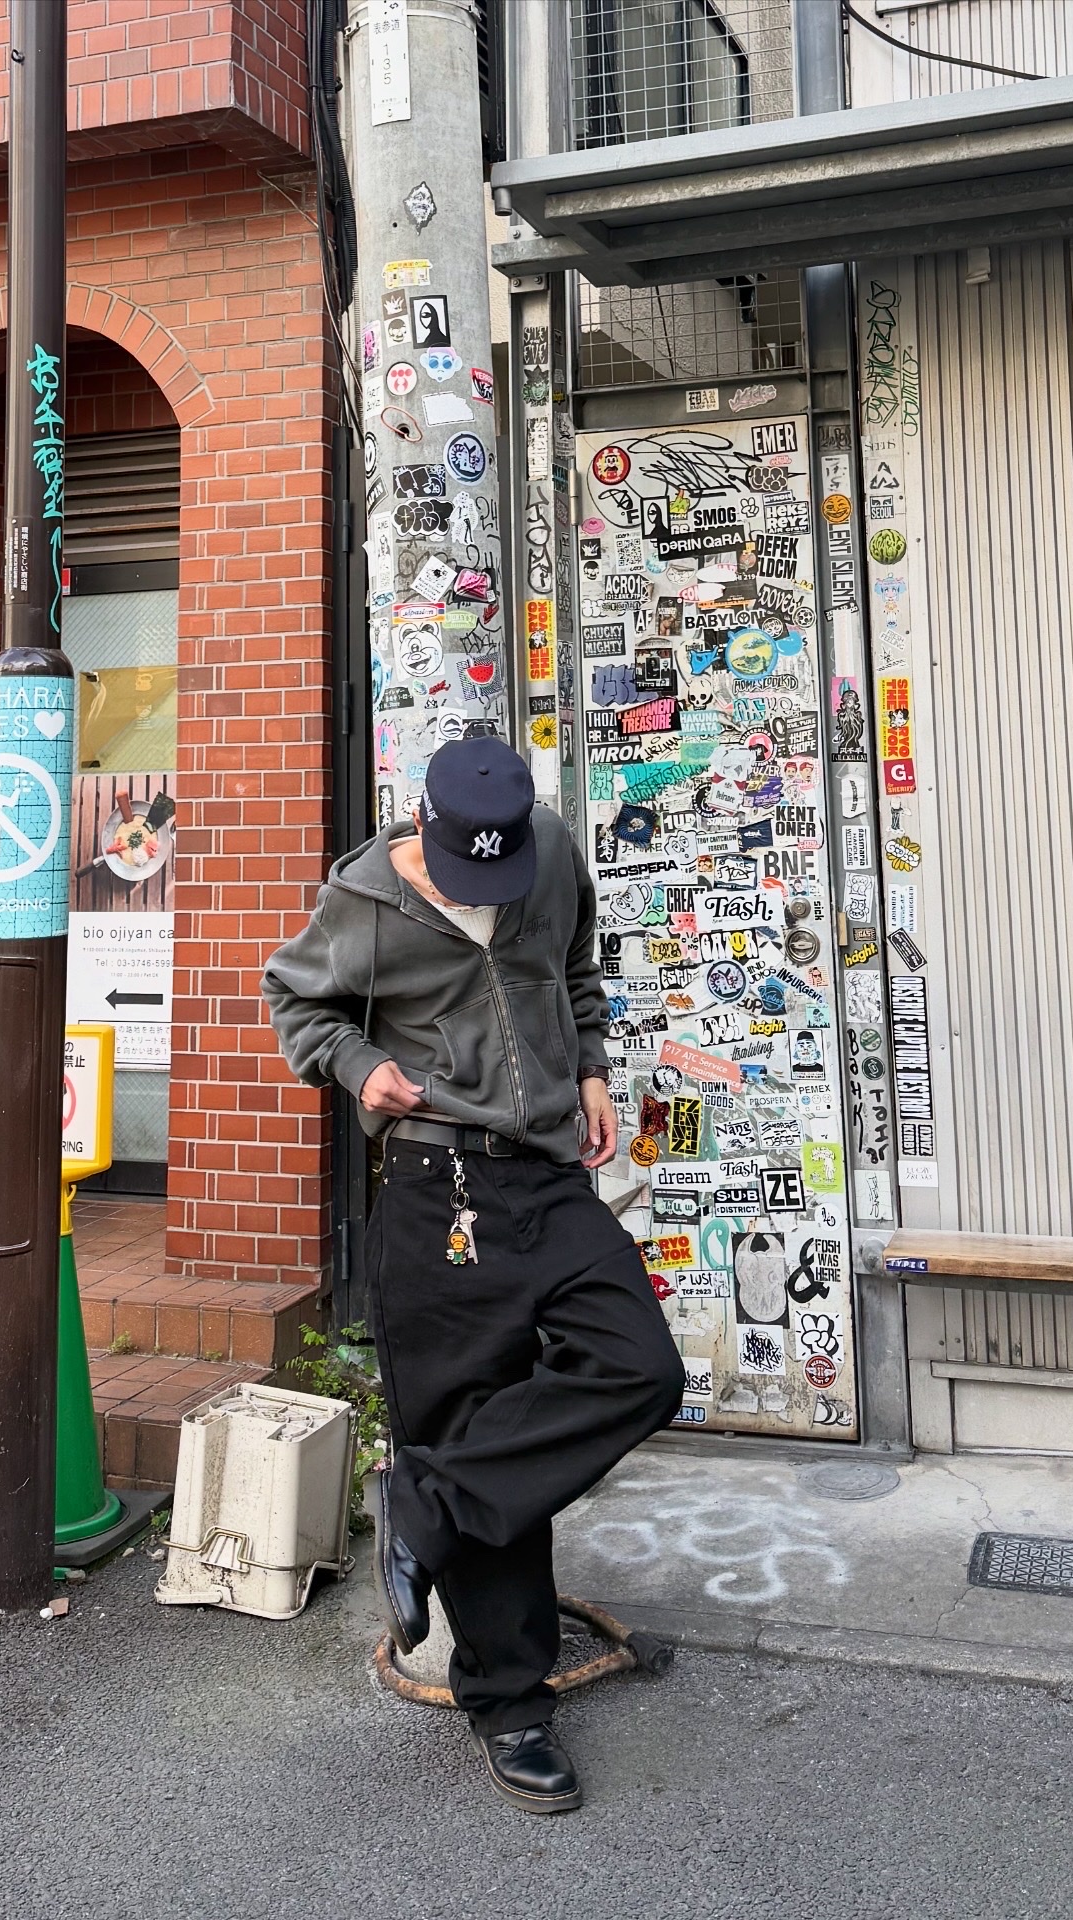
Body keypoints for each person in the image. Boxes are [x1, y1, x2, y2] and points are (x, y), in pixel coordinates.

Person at [262, 737, 685, 1814]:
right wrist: (366, 1069)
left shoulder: (547, 852)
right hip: (435, 1183)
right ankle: (510, 1704)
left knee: (640, 1367)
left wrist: (589, 1067)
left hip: (545, 1176)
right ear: (423, 824)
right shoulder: (362, 898)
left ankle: (431, 1501)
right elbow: (296, 1005)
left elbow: (572, 969)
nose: (492, 880)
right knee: (464, 1411)